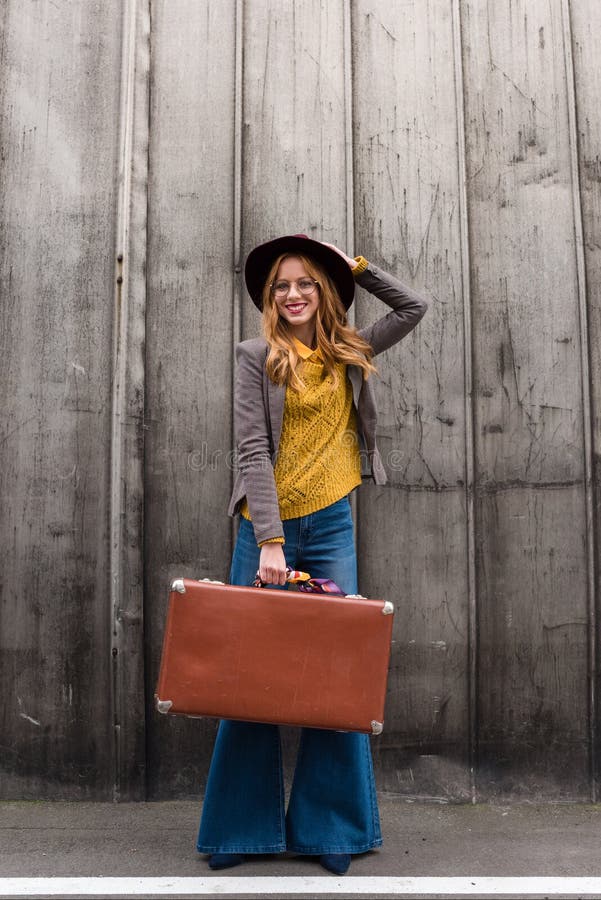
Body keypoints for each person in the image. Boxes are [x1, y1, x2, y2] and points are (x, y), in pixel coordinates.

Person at [196, 233, 429, 875]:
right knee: (250, 681)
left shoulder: (350, 348)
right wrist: (269, 541)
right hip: (264, 530)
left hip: (331, 525)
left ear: (323, 292)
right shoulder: (255, 356)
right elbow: (250, 452)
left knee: (335, 679)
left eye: (305, 283)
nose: (293, 294)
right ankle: (239, 834)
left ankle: (332, 835)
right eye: (282, 286)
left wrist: (353, 265)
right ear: (270, 299)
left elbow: (413, 307)